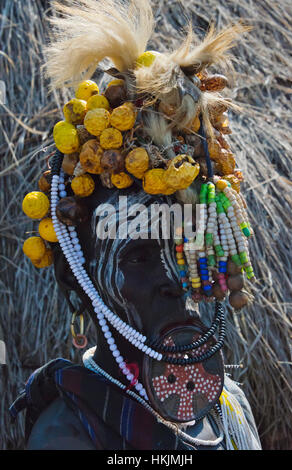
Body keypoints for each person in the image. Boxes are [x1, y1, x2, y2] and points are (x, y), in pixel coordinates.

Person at [10, 0, 261, 450]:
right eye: (140, 256)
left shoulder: (231, 405)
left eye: (190, 245)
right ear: (77, 276)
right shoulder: (67, 436)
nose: (176, 281)